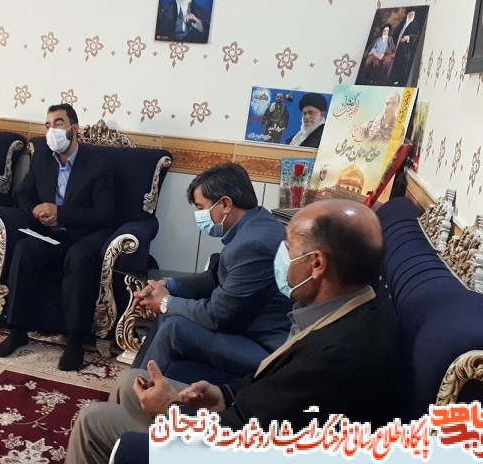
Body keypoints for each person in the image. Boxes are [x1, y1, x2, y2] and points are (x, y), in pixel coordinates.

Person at [66, 199, 399, 464]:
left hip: (235, 446)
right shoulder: (345, 308)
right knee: (131, 381)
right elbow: (272, 385)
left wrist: (171, 409)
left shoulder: (339, 357)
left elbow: (244, 439)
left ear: (317, 264)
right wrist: (223, 393)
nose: (281, 254)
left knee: (93, 421)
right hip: (243, 416)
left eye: (288, 246)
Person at [130, 163, 290, 376]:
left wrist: (165, 302)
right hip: (249, 329)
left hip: (265, 348)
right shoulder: (256, 223)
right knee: (169, 315)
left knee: (174, 327)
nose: (198, 214)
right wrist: (167, 285)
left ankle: (140, 388)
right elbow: (214, 278)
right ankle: (135, 382)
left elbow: (217, 315)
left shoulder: (253, 244)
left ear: (225, 204)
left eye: (200, 207)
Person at [0, 104, 115, 371]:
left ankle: (75, 340)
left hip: (83, 236)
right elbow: (22, 194)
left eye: (58, 123)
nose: (52, 130)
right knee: (25, 249)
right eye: (48, 125)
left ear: (74, 128)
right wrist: (36, 211)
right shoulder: (42, 159)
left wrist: (61, 213)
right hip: (50, 235)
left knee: (79, 257)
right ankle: (17, 329)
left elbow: (105, 214)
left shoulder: (98, 165)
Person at [389, 9, 422, 86]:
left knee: (401, 64)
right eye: (410, 13)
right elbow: (397, 32)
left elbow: (416, 35)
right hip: (397, 44)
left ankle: (398, 81)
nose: (411, 15)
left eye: (413, 14)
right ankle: (391, 79)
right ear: (407, 14)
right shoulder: (403, 22)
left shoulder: (414, 24)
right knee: (393, 62)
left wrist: (408, 37)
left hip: (405, 49)